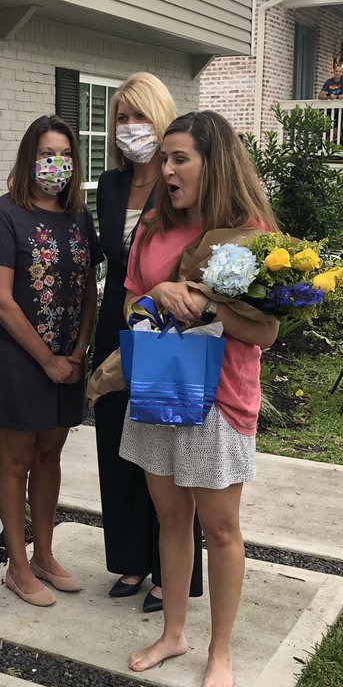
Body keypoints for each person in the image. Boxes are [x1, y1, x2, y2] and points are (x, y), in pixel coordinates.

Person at [119, 110, 279, 687]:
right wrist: (156, 294)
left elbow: (264, 334)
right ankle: (174, 633)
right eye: (163, 158)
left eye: (179, 158)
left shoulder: (249, 232)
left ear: (213, 163)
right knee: (169, 517)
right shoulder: (154, 227)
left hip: (219, 398)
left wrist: (210, 309)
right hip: (159, 387)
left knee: (221, 529)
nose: (166, 170)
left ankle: (220, 649)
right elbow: (131, 304)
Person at [0, 115, 103, 606]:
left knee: (50, 457)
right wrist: (47, 359)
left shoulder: (78, 217)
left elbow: (88, 286)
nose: (57, 164)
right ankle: (18, 565)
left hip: (68, 360)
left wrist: (77, 351)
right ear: (29, 158)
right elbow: (1, 300)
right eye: (47, 154)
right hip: (19, 358)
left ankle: (46, 554)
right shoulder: (3, 215)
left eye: (66, 155)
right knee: (16, 461)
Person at [93, 74, 203, 614]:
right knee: (119, 447)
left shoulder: (180, 184)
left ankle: (171, 572)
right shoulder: (111, 187)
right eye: (121, 118)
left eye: (139, 117)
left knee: (170, 455)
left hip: (169, 333)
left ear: (160, 121)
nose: (129, 128)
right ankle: (131, 558)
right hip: (117, 324)